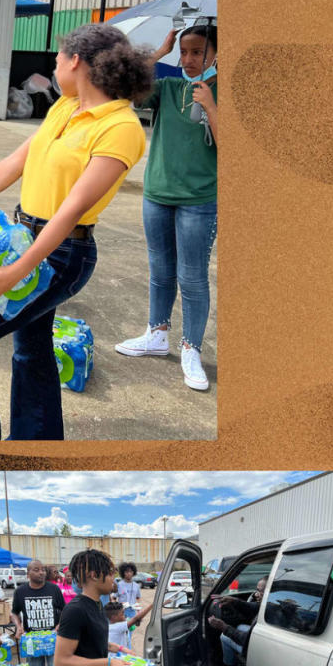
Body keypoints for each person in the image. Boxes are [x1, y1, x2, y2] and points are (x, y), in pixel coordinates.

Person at [0, 23, 151, 439]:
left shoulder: (120, 127)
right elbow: (17, 161)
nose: (54, 66)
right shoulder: (64, 107)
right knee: (31, 350)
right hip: (25, 237)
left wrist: (17, 271)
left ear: (76, 61)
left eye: (57, 58)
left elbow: (72, 210)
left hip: (60, 256)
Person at [116, 23, 218, 391]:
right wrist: (157, 55)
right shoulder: (169, 87)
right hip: (157, 193)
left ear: (216, 53)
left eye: (198, 52)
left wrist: (211, 106)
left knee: (192, 278)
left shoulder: (224, 92)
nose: (188, 59)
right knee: (161, 270)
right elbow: (123, 89)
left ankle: (191, 348)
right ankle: (157, 333)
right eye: (184, 52)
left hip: (199, 200)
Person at [10, 559, 66, 666]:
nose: (41, 572)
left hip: (51, 640)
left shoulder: (54, 589)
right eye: (36, 569)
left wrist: (60, 624)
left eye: (42, 569)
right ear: (28, 574)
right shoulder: (20, 592)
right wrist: (19, 626)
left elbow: (65, 609)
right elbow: (14, 612)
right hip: (31, 643)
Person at [207, 578, 265, 666]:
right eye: (256, 590)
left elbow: (246, 640)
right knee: (239, 626)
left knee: (224, 637)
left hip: (260, 649)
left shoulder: (270, 610)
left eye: (260, 591)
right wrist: (234, 600)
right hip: (262, 641)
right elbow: (253, 607)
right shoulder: (269, 604)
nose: (256, 594)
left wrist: (224, 627)